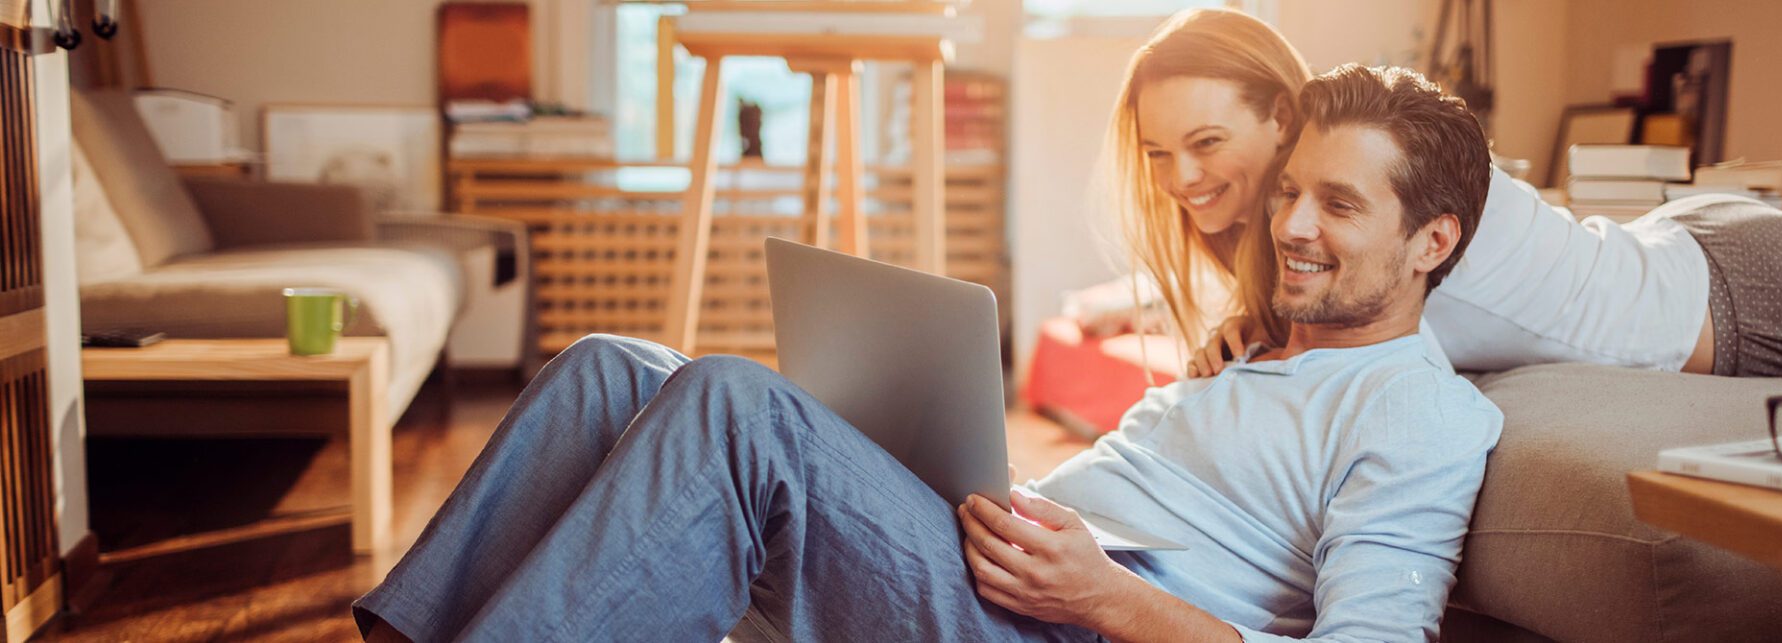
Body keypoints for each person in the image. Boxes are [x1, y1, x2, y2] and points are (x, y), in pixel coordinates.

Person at [353, 65, 1502, 642]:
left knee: (738, 409)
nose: (1291, 224)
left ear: (1431, 240)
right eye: (1290, 191)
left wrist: (1105, 595)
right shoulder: (1261, 349)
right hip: (1007, 559)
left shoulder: (1424, 414)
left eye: (1338, 207)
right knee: (608, 365)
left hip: (1064, 627)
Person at [1115, 9, 1782, 380]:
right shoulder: (1302, 237)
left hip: (1738, 293)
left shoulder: (1391, 182)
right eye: (1158, 153)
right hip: (1675, 243)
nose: (1182, 179)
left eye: (1207, 143)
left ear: (1284, 115)